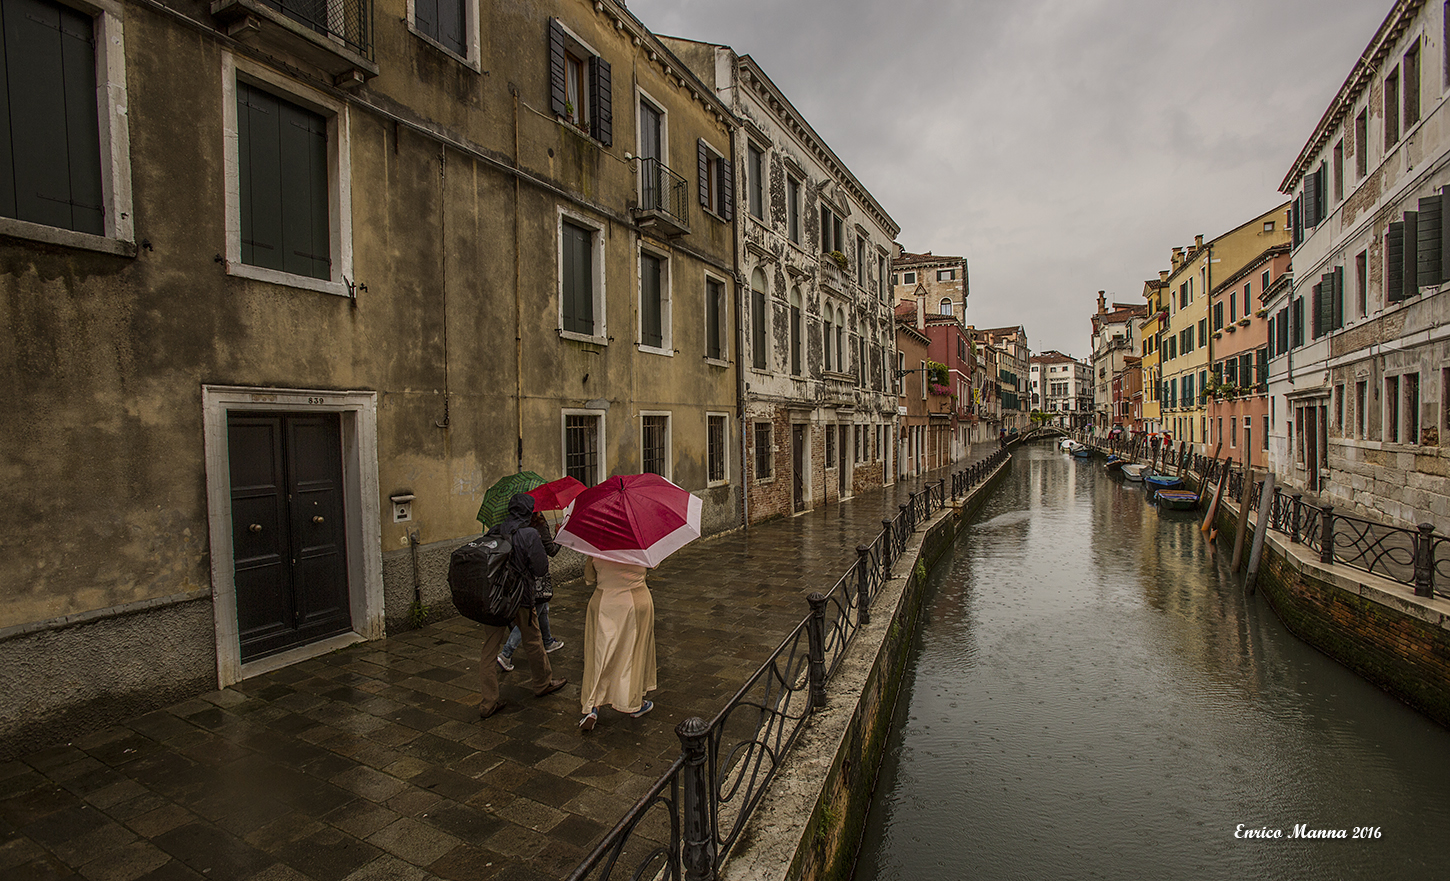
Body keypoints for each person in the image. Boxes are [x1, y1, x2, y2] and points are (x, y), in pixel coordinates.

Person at [478, 493, 567, 720]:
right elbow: (540, 569)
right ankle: (542, 683)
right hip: (520, 598)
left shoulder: (495, 530)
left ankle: (488, 702)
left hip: (494, 599)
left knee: (489, 650)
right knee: (534, 640)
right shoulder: (529, 534)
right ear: (528, 511)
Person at [578, 556, 657, 731]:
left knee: (599, 654)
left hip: (604, 603)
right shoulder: (640, 545)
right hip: (635, 603)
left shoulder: (597, 547)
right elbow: (654, 562)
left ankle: (593, 706)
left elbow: (590, 578)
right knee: (633, 653)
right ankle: (633, 701)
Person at [497, 510, 564, 672]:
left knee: (542, 610)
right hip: (535, 580)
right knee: (528, 618)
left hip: (518, 577)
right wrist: (560, 536)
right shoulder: (538, 526)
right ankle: (506, 653)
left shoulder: (509, 526)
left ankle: (547, 641)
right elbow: (551, 551)